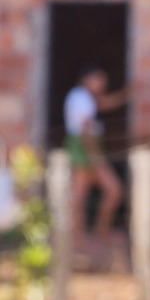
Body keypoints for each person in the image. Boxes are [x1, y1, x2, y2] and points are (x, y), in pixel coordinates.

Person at [64, 66, 129, 241]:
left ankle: (82, 237)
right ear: (87, 80)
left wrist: (126, 94)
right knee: (112, 190)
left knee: (80, 197)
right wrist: (95, 156)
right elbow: (85, 128)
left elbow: (104, 102)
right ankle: (96, 234)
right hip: (85, 148)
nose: (103, 84)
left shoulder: (84, 97)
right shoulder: (81, 98)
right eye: (98, 80)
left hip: (84, 148)